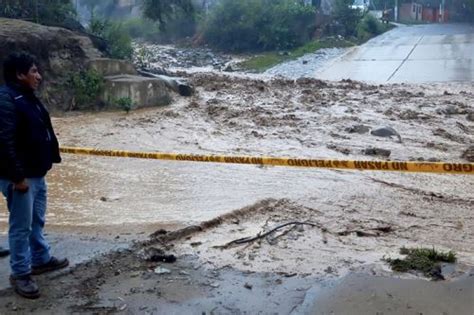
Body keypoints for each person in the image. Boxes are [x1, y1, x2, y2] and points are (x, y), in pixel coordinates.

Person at [0, 52, 69, 299]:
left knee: (36, 221)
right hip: (21, 177)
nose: (38, 76)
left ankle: (40, 259)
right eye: (33, 71)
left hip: (36, 174)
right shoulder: (6, 100)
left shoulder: (27, 98)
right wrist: (18, 178)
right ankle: (21, 273)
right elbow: (3, 142)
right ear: (19, 75)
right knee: (21, 227)